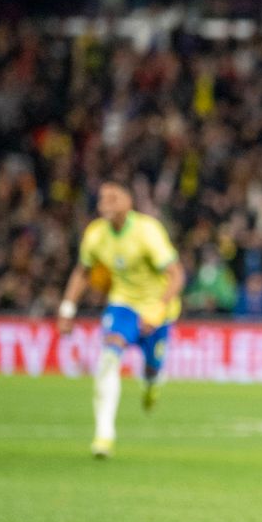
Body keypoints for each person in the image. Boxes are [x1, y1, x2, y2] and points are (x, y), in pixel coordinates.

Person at [57, 182, 185, 459]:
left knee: (152, 371)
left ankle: (151, 385)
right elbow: (82, 271)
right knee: (109, 355)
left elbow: (176, 275)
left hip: (156, 308)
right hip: (123, 305)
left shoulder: (147, 231)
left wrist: (158, 310)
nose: (106, 204)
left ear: (128, 201)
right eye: (102, 198)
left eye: (113, 198)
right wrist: (67, 309)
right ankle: (104, 435)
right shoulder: (95, 235)